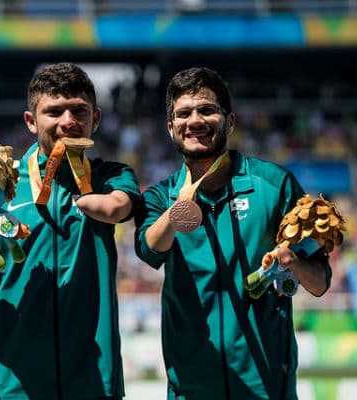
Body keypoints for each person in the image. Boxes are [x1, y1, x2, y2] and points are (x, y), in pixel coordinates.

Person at [134, 67, 331, 400]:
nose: (195, 120)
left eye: (207, 110)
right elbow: (149, 250)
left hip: (265, 386)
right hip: (191, 387)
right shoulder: (158, 196)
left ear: (230, 122)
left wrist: (292, 260)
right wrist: (181, 205)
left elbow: (320, 281)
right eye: (183, 114)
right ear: (171, 129)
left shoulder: (274, 185)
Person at [0, 62, 141, 399]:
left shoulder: (113, 177)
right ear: (31, 121)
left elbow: (121, 208)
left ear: (95, 119)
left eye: (79, 111)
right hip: (14, 383)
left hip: (92, 382)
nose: (68, 120)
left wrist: (87, 193)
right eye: (54, 111)